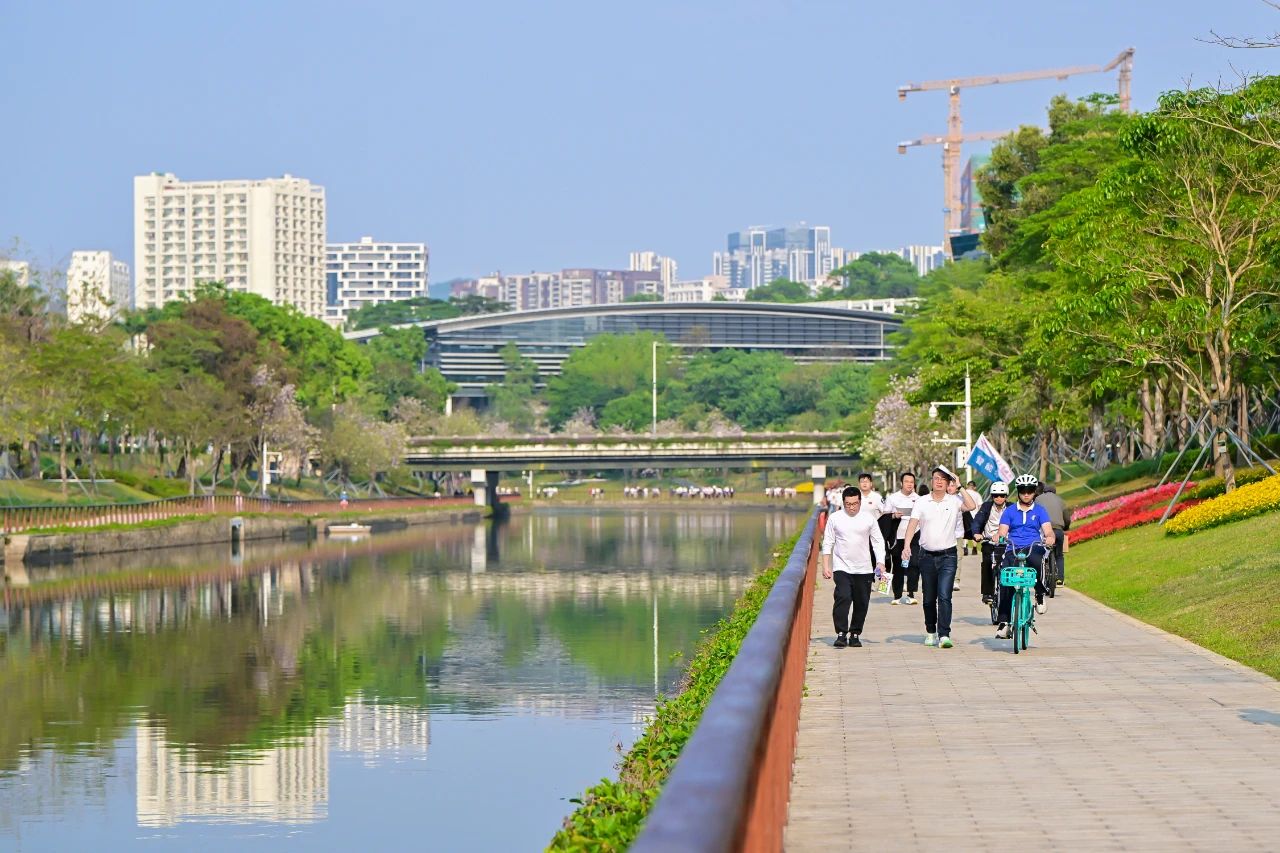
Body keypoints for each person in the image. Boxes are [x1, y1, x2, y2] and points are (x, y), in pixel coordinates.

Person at [901, 466, 977, 648]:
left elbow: (972, 506)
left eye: (944, 479)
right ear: (932, 481)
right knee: (928, 598)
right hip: (926, 556)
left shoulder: (954, 501)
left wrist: (960, 487)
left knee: (944, 596)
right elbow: (912, 524)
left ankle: (944, 634)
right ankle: (930, 631)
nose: (940, 481)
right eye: (936, 478)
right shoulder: (922, 502)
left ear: (949, 482)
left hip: (948, 556)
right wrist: (906, 546)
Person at [821, 486, 887, 648]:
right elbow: (828, 541)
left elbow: (878, 541)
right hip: (842, 567)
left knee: (861, 602)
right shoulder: (835, 518)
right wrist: (825, 565)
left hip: (864, 568)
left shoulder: (868, 519)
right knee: (843, 597)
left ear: (860, 502)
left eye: (855, 504)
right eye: (848, 504)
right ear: (843, 502)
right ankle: (841, 633)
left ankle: (855, 633)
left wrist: (881, 562)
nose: (851, 507)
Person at [994, 474, 1056, 639]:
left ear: (1034, 492)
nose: (1026, 494)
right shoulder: (1010, 511)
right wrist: (999, 536)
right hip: (1013, 547)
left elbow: (1048, 530)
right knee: (1006, 577)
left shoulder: (1040, 510)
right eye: (1023, 490)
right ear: (1018, 492)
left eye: (1029, 490)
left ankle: (1040, 594)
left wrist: (1049, 537)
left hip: (1033, 546)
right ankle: (1004, 622)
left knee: (1037, 560)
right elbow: (1002, 531)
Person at [882, 472, 921, 605]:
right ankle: (897, 595)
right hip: (897, 537)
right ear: (901, 483)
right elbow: (884, 517)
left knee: (914, 564)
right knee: (898, 565)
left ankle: (911, 593)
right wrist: (893, 516)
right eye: (907, 481)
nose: (909, 484)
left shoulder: (919, 499)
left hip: (915, 536)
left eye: (912, 482)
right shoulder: (893, 498)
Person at [970, 481, 1010, 604]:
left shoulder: (1012, 508)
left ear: (1006, 496)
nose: (999, 498)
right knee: (987, 563)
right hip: (989, 543)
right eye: (996, 495)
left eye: (1002, 495)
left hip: (1007, 544)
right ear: (992, 496)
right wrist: (976, 533)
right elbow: (977, 521)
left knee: (1011, 565)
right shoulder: (986, 507)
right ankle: (987, 593)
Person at [1036, 483, 1072, 586]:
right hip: (1058, 530)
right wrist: (1065, 527)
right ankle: (1060, 579)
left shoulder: (1038, 499)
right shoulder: (1060, 500)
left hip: (1043, 531)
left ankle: (1040, 577)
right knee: (1059, 555)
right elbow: (1067, 518)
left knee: (1040, 554)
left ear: (1044, 491)